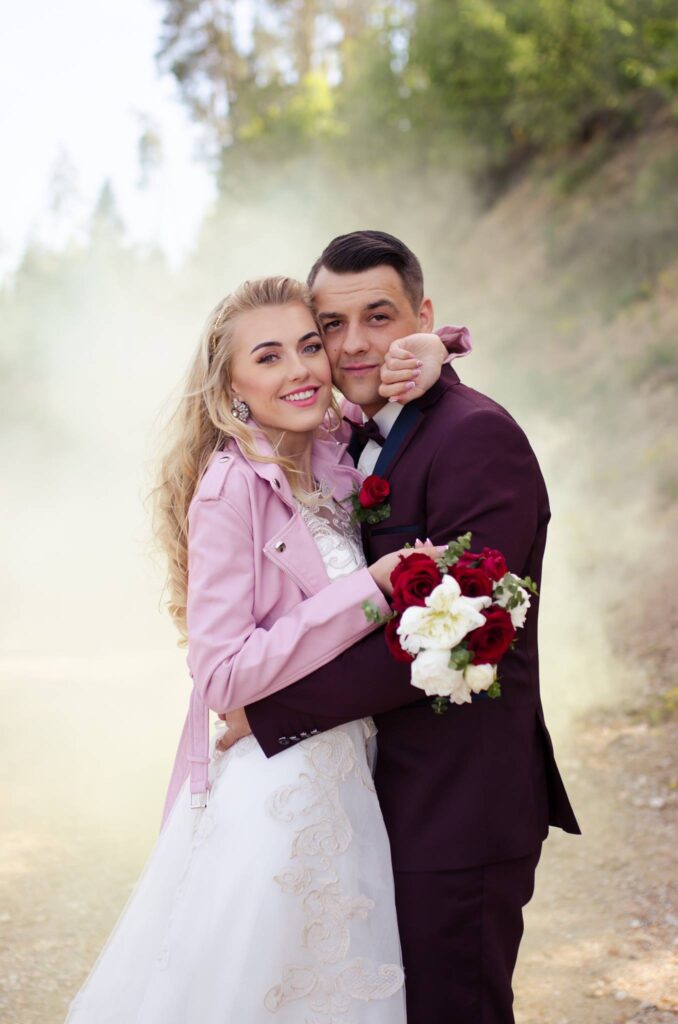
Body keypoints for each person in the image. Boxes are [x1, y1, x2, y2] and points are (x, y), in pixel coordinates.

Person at [64, 275, 457, 1023]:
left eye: (309, 347)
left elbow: (394, 371)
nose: (300, 370)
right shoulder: (229, 491)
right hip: (279, 796)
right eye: (268, 357)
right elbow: (221, 675)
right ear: (231, 387)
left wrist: (436, 348)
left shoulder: (330, 452)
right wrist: (367, 590)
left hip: (351, 780)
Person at [219, 230, 582, 1024]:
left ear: (421, 317)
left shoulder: (475, 436)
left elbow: (454, 637)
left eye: (378, 318)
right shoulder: (346, 435)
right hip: (376, 800)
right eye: (331, 325)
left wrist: (273, 713)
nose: (353, 344)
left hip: (458, 803)